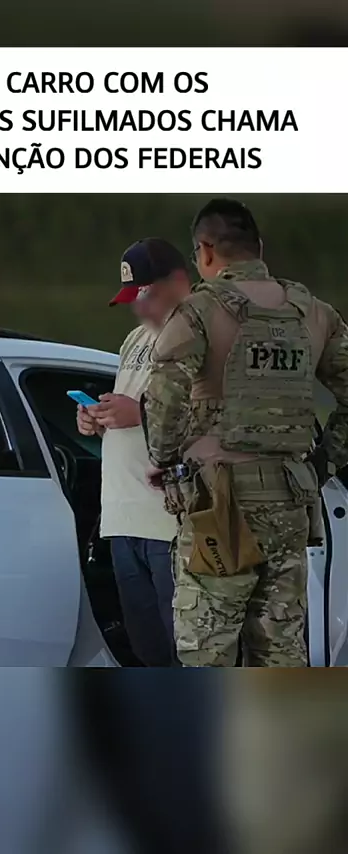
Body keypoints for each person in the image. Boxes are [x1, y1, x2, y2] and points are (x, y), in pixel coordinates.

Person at [142, 197, 348, 667]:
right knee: (280, 646)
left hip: (220, 508)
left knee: (207, 648)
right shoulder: (314, 313)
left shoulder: (198, 311)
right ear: (260, 248)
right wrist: (325, 459)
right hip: (291, 504)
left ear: (205, 250)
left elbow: (164, 398)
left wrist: (163, 459)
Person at [76, 238, 192, 667]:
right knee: (146, 648)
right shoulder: (136, 339)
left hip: (170, 520)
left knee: (185, 646)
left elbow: (214, 414)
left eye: (146, 295)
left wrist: (138, 413)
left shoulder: (199, 333)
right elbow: (129, 404)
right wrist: (96, 417)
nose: (140, 307)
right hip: (122, 517)